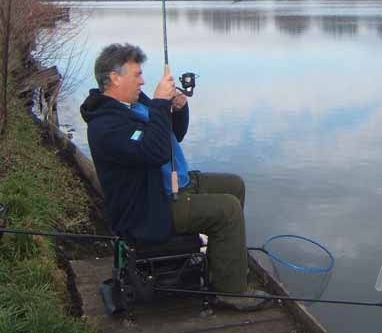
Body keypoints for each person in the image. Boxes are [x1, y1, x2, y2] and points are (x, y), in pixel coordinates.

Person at [80, 42, 267, 311]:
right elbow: (154, 151)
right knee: (228, 211)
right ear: (114, 78)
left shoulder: (135, 102)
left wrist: (177, 108)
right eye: (137, 75)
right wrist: (158, 103)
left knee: (233, 185)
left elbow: (171, 135)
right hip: (147, 206)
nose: (143, 80)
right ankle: (231, 292)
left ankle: (224, 267)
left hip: (171, 182)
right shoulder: (106, 124)